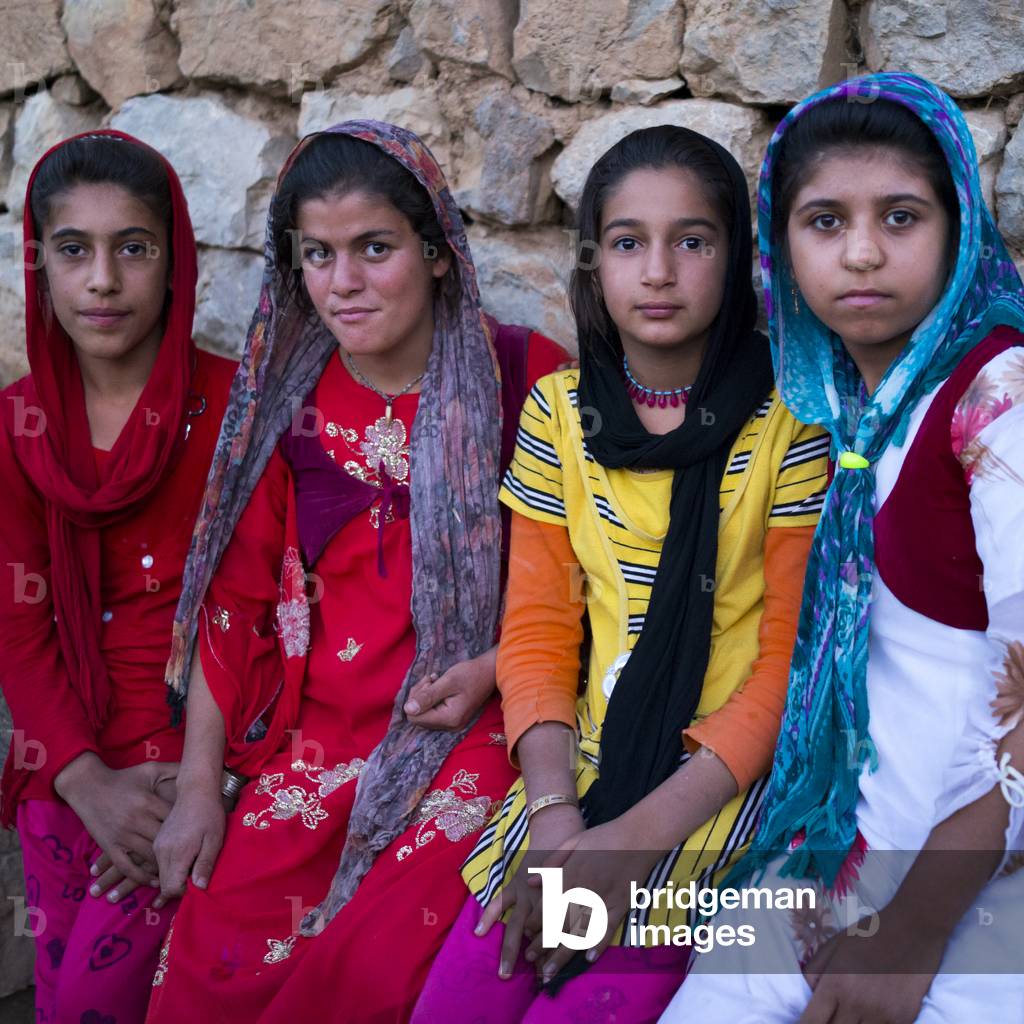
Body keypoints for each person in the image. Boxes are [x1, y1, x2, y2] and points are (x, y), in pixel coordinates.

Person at [143, 121, 568, 1024]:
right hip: (313, 740)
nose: (345, 282)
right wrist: (195, 791)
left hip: (480, 728)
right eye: (319, 255)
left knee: (383, 964)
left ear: (439, 252)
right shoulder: (287, 405)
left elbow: (600, 578)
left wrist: (498, 667)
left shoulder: (529, 379)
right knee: (211, 960)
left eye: (375, 248)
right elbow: (233, 607)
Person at [413, 125, 830, 1023]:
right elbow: (537, 632)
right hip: (577, 771)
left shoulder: (792, 424)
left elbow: (784, 670)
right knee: (456, 1006)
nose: (658, 272)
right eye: (628, 242)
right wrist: (560, 821)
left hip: (722, 787)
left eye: (692, 240)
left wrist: (633, 843)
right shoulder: (560, 414)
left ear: (737, 258)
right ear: (594, 262)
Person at [660, 72, 1024, 1024]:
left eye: (900, 217)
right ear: (781, 249)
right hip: (851, 844)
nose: (861, 254)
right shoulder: (852, 415)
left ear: (959, 233)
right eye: (824, 222)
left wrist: (913, 929)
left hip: (975, 877)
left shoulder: (999, 399)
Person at [0, 131, 235, 1023]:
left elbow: (244, 611)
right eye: (74, 250)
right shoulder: (17, 426)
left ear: (174, 264)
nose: (102, 280)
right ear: (41, 268)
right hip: (65, 760)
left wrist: (199, 779)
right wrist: (84, 780)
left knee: (113, 995)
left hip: (196, 768)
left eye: (132, 248)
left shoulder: (231, 412)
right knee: (64, 995)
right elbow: (17, 627)